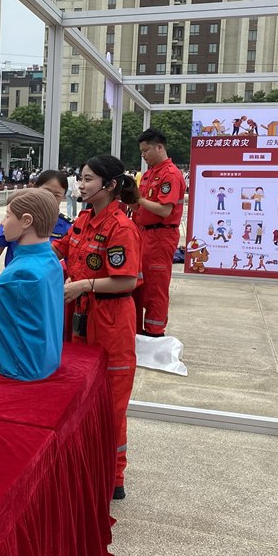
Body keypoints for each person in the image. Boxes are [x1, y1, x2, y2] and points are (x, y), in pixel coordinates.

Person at [53, 154, 141, 500]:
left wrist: (83, 285)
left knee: (111, 403)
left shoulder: (121, 228)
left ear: (111, 185)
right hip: (83, 316)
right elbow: (61, 249)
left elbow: (126, 280)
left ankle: (113, 476)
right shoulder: (84, 219)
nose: (81, 184)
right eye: (81, 178)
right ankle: (87, 467)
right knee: (84, 395)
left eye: (89, 179)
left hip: (111, 320)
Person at [0, 189, 64, 382]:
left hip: (22, 368)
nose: (3, 223)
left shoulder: (20, 274)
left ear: (26, 221)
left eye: (8, 216)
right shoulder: (50, 260)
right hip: (48, 359)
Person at [0, 170, 70, 310]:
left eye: (57, 195)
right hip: (15, 286)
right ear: (34, 189)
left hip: (46, 292)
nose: (50, 198)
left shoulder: (67, 227)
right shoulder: (13, 221)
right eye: (46, 192)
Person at [133, 128, 185, 337]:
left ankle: (155, 331)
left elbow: (164, 210)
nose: (143, 155)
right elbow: (140, 206)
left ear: (159, 147)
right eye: (141, 151)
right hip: (144, 234)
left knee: (156, 286)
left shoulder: (170, 174)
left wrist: (139, 200)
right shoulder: (149, 174)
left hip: (161, 236)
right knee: (141, 283)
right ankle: (140, 328)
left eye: (146, 151)